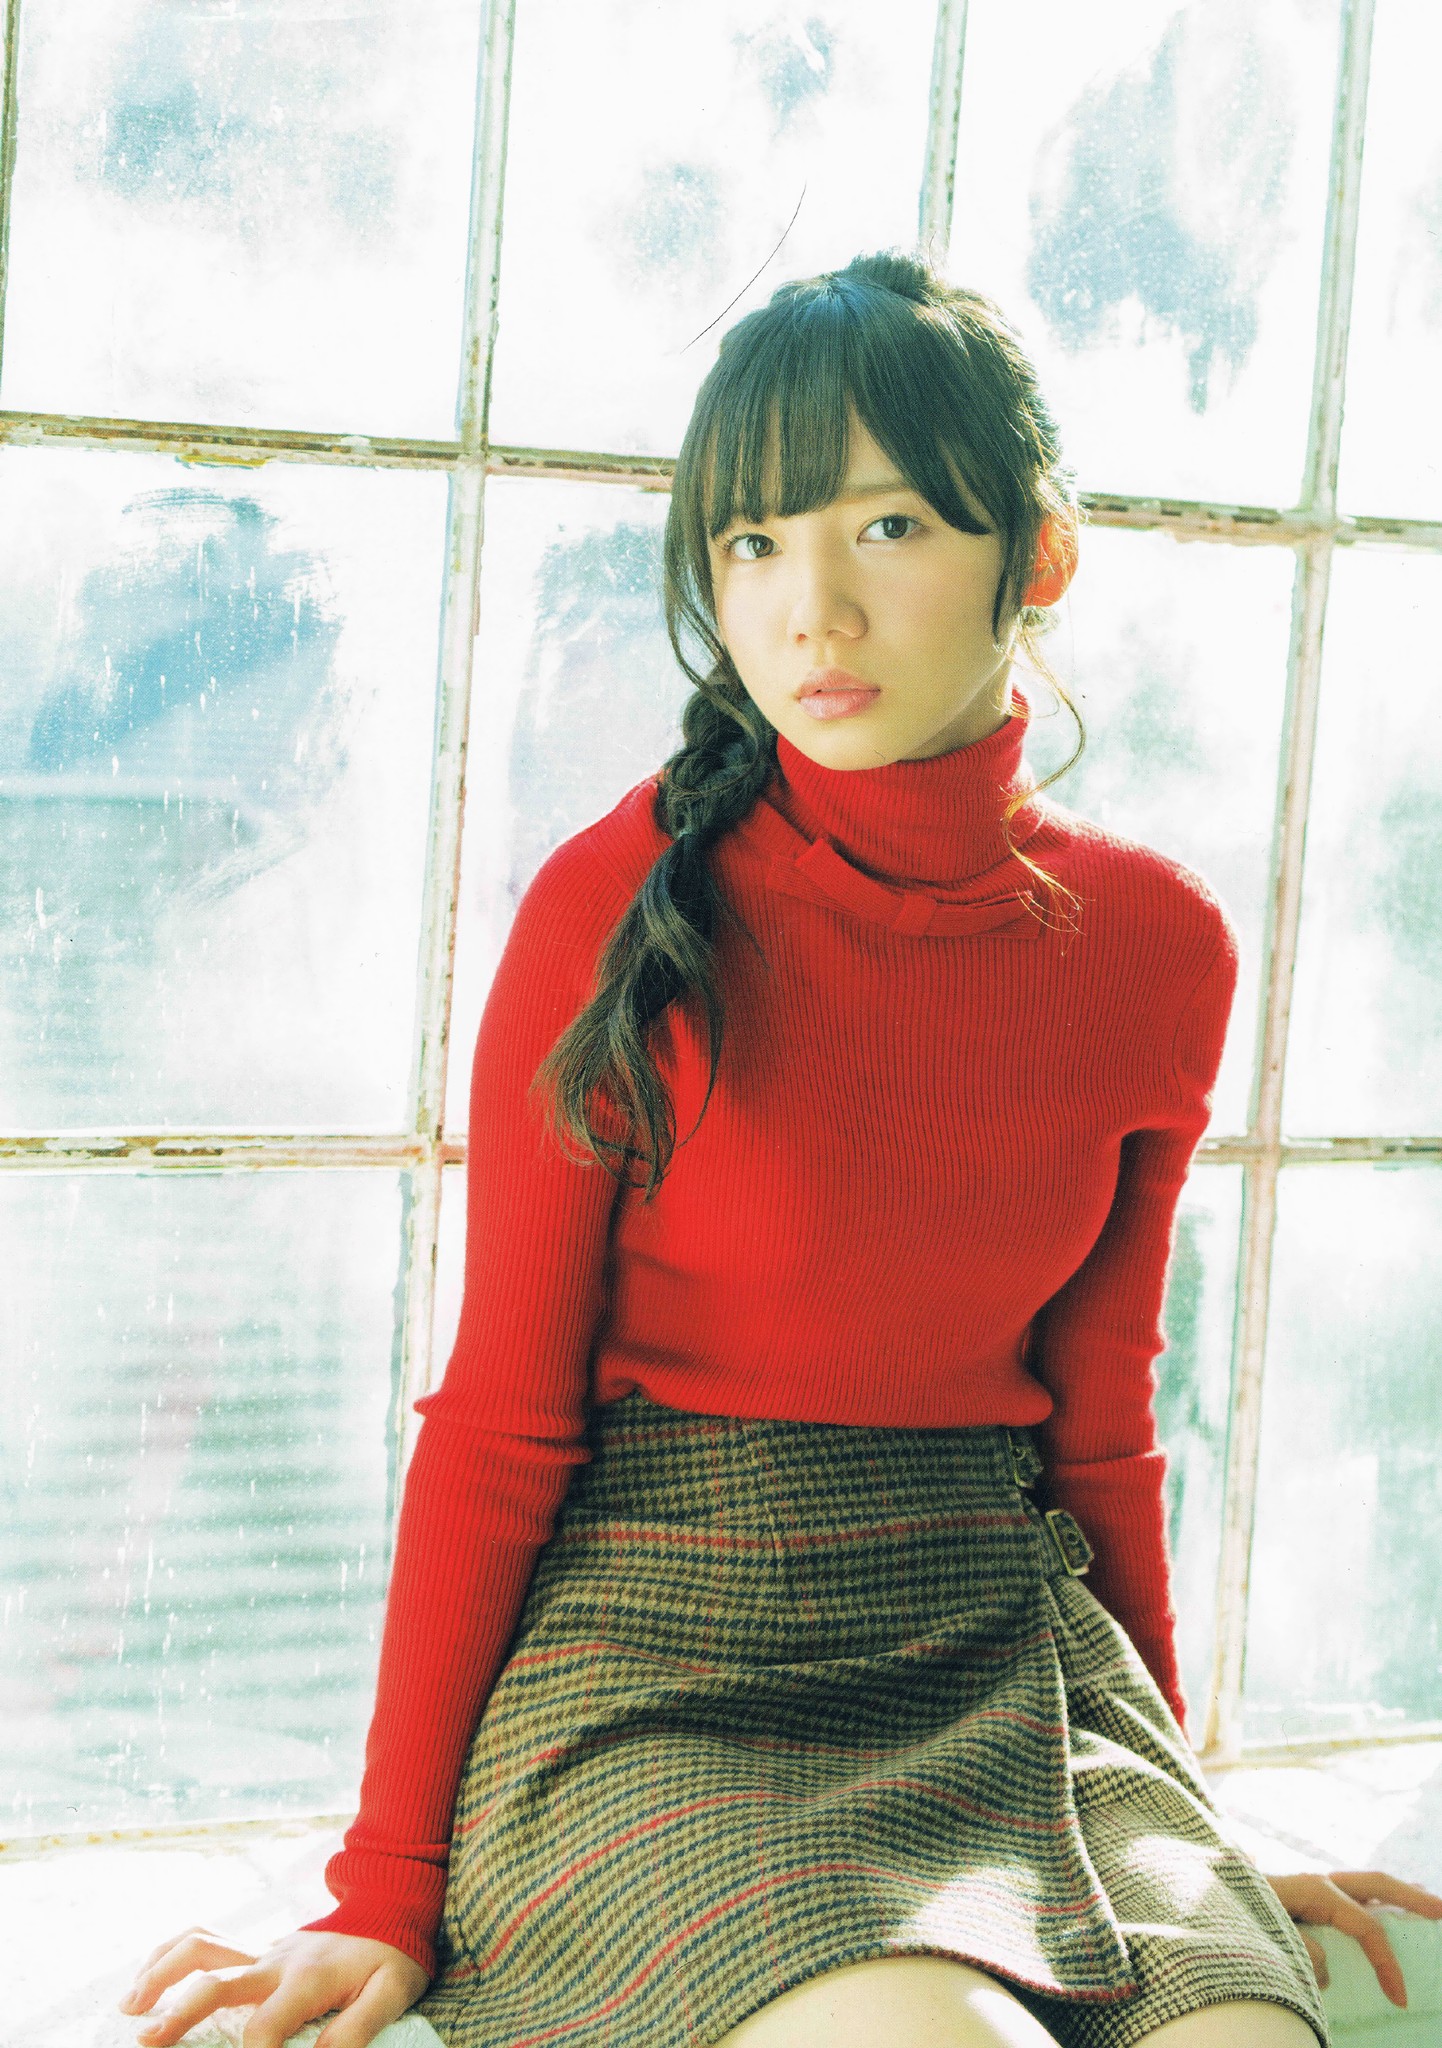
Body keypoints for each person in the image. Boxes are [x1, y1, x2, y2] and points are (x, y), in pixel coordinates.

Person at [118, 249, 1442, 2048]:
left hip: (1000, 1639)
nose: (811, 610)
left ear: (1038, 557)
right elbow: (499, 1422)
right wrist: (385, 1888)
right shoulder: (619, 907)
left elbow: (1100, 1425)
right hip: (659, 1664)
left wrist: (1180, 1815)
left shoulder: (1153, 942)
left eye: (887, 527)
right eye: (752, 543)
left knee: (1246, 2035)